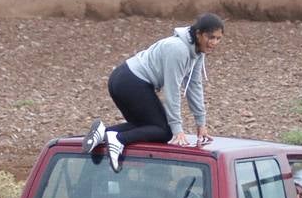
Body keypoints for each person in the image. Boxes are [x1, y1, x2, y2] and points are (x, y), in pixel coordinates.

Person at [83, 12, 224, 173]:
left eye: (218, 38)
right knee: (164, 131)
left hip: (124, 79)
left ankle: (103, 133)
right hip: (131, 81)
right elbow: (171, 91)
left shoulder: (198, 53)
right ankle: (118, 139)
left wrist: (201, 123)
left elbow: (194, 85)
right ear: (198, 33)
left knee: (147, 126)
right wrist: (177, 130)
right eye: (210, 37)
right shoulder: (179, 49)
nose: (214, 42)